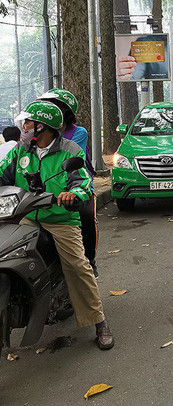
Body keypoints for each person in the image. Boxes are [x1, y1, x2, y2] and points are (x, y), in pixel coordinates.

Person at [0, 101, 114, 350]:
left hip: (61, 220)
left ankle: (99, 322)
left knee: (77, 265)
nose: (25, 127)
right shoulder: (21, 151)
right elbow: (2, 174)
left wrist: (73, 193)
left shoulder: (70, 150)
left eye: (29, 123)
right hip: (25, 217)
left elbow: (83, 180)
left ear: (44, 127)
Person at [37, 88, 99, 279]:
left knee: (86, 218)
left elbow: (69, 154)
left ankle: (90, 262)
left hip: (76, 185)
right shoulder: (32, 137)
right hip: (46, 186)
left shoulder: (78, 133)